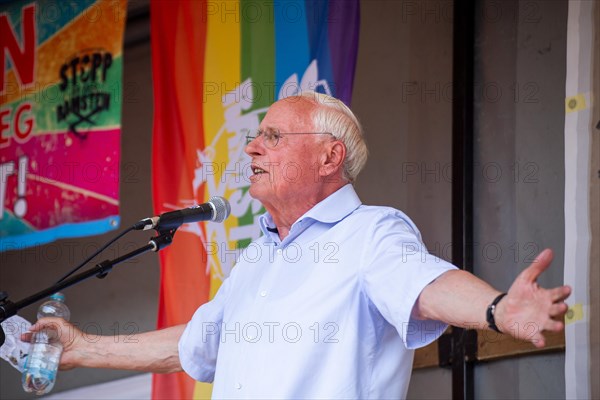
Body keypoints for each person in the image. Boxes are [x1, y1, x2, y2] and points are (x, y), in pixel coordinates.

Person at [24, 92, 571, 398]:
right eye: (254, 137)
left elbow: (425, 285)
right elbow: (196, 343)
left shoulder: (372, 233)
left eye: (273, 137)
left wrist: (496, 309)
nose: (253, 149)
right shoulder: (256, 258)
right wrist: (82, 349)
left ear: (330, 158)